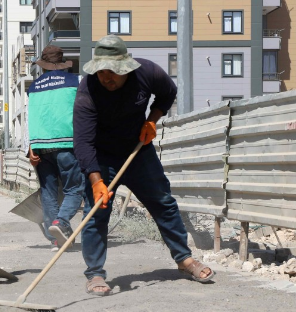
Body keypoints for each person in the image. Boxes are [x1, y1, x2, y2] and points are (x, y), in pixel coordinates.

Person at [73, 35, 216, 295]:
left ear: (126, 67)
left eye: (112, 72)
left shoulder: (148, 72)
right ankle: (95, 274)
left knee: (163, 202)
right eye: (101, 72)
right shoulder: (88, 90)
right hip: (102, 157)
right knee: (96, 212)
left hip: (138, 151)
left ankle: (184, 259)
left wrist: (152, 120)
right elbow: (83, 142)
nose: (106, 78)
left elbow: (167, 93)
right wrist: (96, 181)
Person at [27, 45, 84, 251]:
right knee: (74, 188)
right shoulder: (75, 82)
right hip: (67, 143)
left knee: (48, 192)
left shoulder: (33, 87)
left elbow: (31, 117)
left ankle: (56, 241)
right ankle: (60, 223)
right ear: (62, 65)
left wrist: (31, 147)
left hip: (41, 145)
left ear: (42, 67)